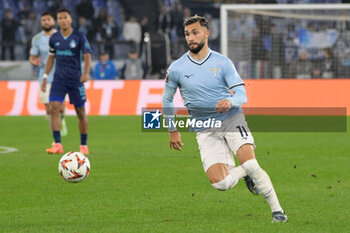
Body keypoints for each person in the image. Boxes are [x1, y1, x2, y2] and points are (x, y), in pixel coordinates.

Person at [162, 15, 287, 223]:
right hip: (204, 127)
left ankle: (278, 212)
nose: (190, 38)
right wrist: (172, 129)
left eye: (195, 32)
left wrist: (230, 101)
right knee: (221, 183)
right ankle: (245, 172)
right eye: (187, 34)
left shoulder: (222, 62)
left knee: (251, 162)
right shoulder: (177, 68)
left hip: (231, 119)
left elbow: (242, 95)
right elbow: (167, 99)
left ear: (206, 33)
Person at [42, 8, 91, 154]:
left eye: (65, 17)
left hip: (75, 80)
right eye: (60, 18)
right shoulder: (54, 39)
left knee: (80, 112)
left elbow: (87, 56)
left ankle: (83, 145)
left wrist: (86, 73)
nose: (62, 20)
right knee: (53, 108)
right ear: (57, 21)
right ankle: (57, 144)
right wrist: (45, 77)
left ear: (70, 19)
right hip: (59, 80)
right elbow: (51, 58)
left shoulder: (79, 37)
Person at [29, 11, 68, 138]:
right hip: (45, 78)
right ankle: (55, 138)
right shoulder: (37, 39)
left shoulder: (62, 35)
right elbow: (32, 57)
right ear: (41, 23)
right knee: (49, 110)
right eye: (43, 20)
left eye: (48, 19)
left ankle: (62, 122)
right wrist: (35, 61)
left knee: (60, 108)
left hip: (61, 76)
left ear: (53, 21)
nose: (46, 22)